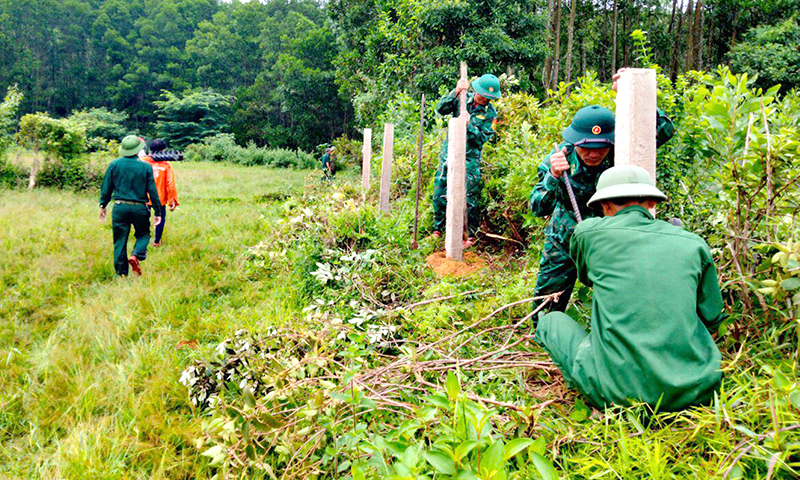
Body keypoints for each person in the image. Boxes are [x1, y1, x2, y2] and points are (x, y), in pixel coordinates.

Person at [535, 165, 725, 411]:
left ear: (604, 206)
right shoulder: (693, 243)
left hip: (617, 393)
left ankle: (594, 393)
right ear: (650, 203)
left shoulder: (588, 234)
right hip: (695, 390)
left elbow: (586, 277)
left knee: (550, 321)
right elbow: (711, 316)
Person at [529, 69, 675, 312]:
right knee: (549, 300)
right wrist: (554, 177)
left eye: (601, 147)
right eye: (587, 148)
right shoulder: (558, 159)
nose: (594, 154)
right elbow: (537, 207)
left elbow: (663, 130)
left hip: (613, 238)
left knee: (620, 298)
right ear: (575, 142)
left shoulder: (622, 150)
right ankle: (544, 337)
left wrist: (629, 95)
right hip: (566, 238)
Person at [432, 73, 500, 248]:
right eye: (483, 95)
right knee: (440, 190)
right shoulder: (462, 99)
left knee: (469, 197)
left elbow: (482, 139)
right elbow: (441, 109)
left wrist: (469, 125)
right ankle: (437, 229)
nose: (485, 99)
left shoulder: (490, 114)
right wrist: (455, 91)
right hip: (449, 154)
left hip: (470, 159)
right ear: (476, 90)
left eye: (489, 97)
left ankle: (469, 236)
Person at [99, 135, 162, 276]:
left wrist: (103, 205)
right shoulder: (146, 167)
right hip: (140, 207)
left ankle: (121, 274)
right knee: (144, 234)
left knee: (120, 240)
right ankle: (135, 255)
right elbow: (152, 191)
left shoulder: (114, 165)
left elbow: (106, 187)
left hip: (120, 207)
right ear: (138, 150)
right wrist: (158, 212)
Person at [142, 139, 179, 247]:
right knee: (160, 218)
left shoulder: (143, 162)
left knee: (144, 218)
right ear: (163, 151)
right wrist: (173, 200)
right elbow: (170, 183)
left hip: (144, 197)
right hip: (160, 198)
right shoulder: (166, 165)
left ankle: (143, 239)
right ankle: (156, 242)